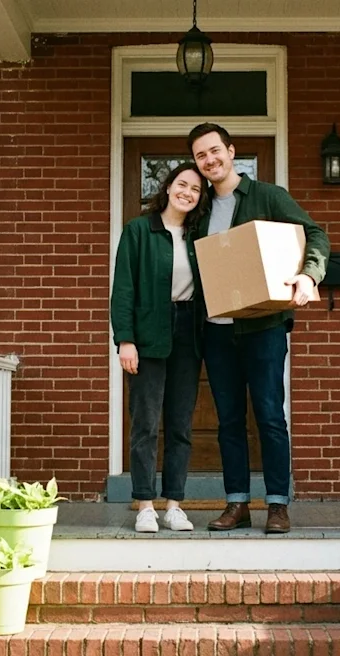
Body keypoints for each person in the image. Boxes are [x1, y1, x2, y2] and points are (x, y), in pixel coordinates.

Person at [188, 122, 329, 534]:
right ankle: (236, 504)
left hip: (264, 325)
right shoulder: (199, 210)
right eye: (201, 156)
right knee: (228, 419)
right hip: (216, 330)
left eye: (215, 150)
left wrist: (309, 276)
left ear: (231, 151)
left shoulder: (268, 196)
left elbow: (316, 234)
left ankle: (277, 504)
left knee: (269, 415)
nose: (210, 160)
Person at [110, 163, 210, 533]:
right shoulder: (139, 230)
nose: (187, 192)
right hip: (148, 331)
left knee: (180, 424)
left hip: (189, 333)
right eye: (182, 184)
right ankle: (146, 505)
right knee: (146, 424)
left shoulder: (199, 237)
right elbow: (124, 289)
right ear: (168, 187)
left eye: (196, 190)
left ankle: (174, 505)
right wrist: (125, 339)